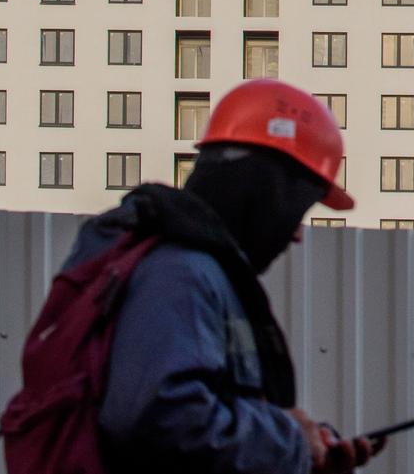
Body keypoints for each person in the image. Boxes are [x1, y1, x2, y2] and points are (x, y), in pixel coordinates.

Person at [56, 79, 378, 473]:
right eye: (298, 211)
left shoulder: (197, 273)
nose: (296, 234)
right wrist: (290, 439)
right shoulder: (180, 274)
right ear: (266, 193)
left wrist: (306, 453)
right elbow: (165, 419)